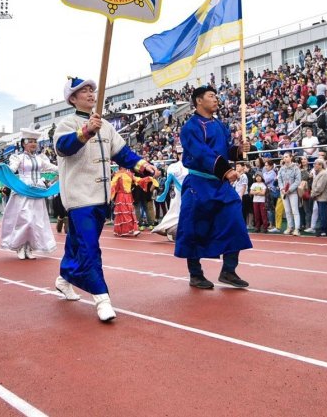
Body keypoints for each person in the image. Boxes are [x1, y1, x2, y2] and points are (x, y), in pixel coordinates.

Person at [54, 77, 157, 321]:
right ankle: (102, 298)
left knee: (78, 243)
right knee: (90, 247)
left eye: (92, 90)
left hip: (101, 198)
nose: (90, 94)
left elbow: (122, 153)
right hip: (79, 197)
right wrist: (86, 131)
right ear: (72, 98)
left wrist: (142, 165)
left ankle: (63, 278)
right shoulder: (66, 123)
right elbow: (63, 147)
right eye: (84, 91)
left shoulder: (107, 126)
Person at [175, 85, 253, 289]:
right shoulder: (190, 127)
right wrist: (226, 171)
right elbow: (201, 152)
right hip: (199, 184)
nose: (216, 99)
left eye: (216, 96)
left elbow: (224, 151)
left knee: (235, 220)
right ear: (199, 101)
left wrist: (238, 151)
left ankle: (229, 270)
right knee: (194, 228)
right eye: (211, 96)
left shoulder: (219, 124)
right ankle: (195, 274)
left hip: (220, 185)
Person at [1, 129, 58, 259]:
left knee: (36, 221)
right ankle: (20, 246)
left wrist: (66, 168)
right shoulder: (18, 157)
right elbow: (11, 169)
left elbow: (52, 168)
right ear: (23, 144)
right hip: (23, 191)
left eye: (35, 142)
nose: (33, 144)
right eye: (30, 141)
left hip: (37, 191)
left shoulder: (40, 159)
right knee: (25, 219)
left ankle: (29, 247)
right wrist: (5, 169)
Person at [110, 167, 140, 237]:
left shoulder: (129, 174)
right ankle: (125, 230)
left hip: (129, 196)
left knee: (130, 212)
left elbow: (138, 180)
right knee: (123, 213)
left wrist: (150, 178)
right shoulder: (117, 175)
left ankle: (134, 229)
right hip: (121, 196)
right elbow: (113, 185)